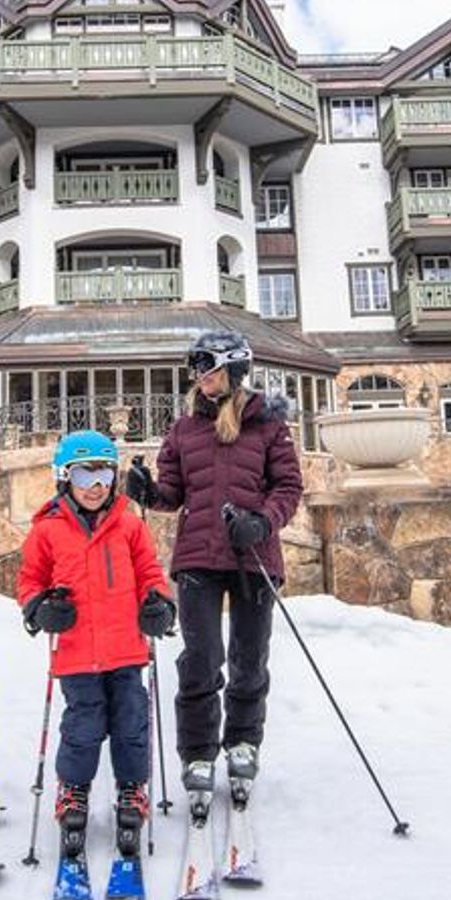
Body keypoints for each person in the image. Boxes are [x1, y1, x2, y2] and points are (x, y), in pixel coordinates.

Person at [122, 331, 303, 802]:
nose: (202, 379)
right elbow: (173, 493)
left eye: (211, 369)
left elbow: (288, 488)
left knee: (249, 657)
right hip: (199, 555)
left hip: (253, 555)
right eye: (198, 370)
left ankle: (243, 742)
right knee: (201, 659)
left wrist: (260, 523)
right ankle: (198, 751)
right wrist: (146, 490)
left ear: (235, 371)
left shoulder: (268, 425)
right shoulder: (184, 430)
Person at [17, 430, 176, 858]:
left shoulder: (129, 524)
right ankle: (73, 790)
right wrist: (39, 609)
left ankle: (131, 788)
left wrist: (159, 605)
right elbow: (29, 580)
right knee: (83, 727)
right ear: (64, 477)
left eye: (104, 473)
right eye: (85, 474)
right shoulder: (47, 531)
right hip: (76, 654)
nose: (96, 485)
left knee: (130, 720)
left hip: (126, 648)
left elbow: (150, 573)